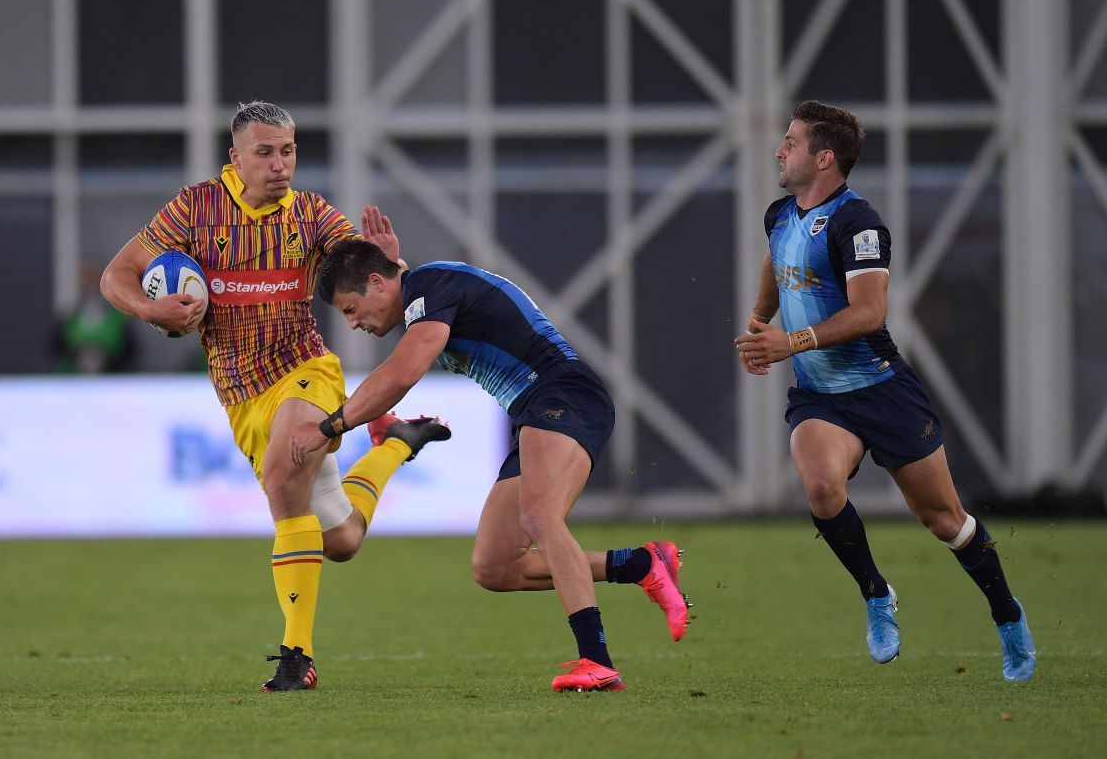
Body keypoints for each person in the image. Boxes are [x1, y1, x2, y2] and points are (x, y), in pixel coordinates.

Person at [99, 101, 451, 693]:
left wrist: (391, 262)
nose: (280, 164)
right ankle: (394, 446)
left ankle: (297, 655)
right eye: (265, 152)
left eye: (287, 151)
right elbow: (117, 276)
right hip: (240, 394)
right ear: (235, 158)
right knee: (340, 540)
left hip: (305, 371)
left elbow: (373, 278)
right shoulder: (196, 207)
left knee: (284, 470)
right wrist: (151, 307)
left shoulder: (312, 215)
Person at [292, 237, 692, 693]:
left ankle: (596, 661)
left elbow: (402, 373)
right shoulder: (422, 293)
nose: (353, 323)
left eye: (350, 308)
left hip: (562, 395)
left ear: (378, 283)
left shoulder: (428, 285)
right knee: (494, 565)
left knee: (540, 518)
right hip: (536, 411)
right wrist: (392, 263)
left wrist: (329, 427)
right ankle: (642, 563)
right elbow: (406, 307)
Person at [733, 100, 1036, 681]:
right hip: (821, 397)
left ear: (825, 158)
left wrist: (788, 341)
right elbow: (777, 262)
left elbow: (870, 313)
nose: (779, 150)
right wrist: (756, 325)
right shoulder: (779, 214)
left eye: (791, 142)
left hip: (883, 391)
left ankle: (1006, 614)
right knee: (822, 487)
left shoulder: (858, 223)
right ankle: (876, 594)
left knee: (945, 520)